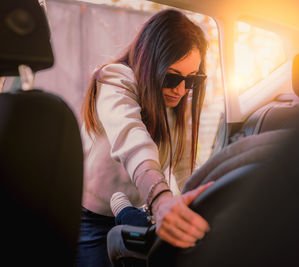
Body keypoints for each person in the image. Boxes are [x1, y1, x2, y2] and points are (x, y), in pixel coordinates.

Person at [76, 9, 213, 267]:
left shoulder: (175, 105)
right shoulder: (114, 80)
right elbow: (133, 142)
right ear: (151, 63)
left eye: (191, 81)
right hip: (91, 220)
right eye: (172, 77)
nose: (182, 90)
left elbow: (184, 170)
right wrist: (162, 201)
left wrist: (201, 210)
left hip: (136, 212)